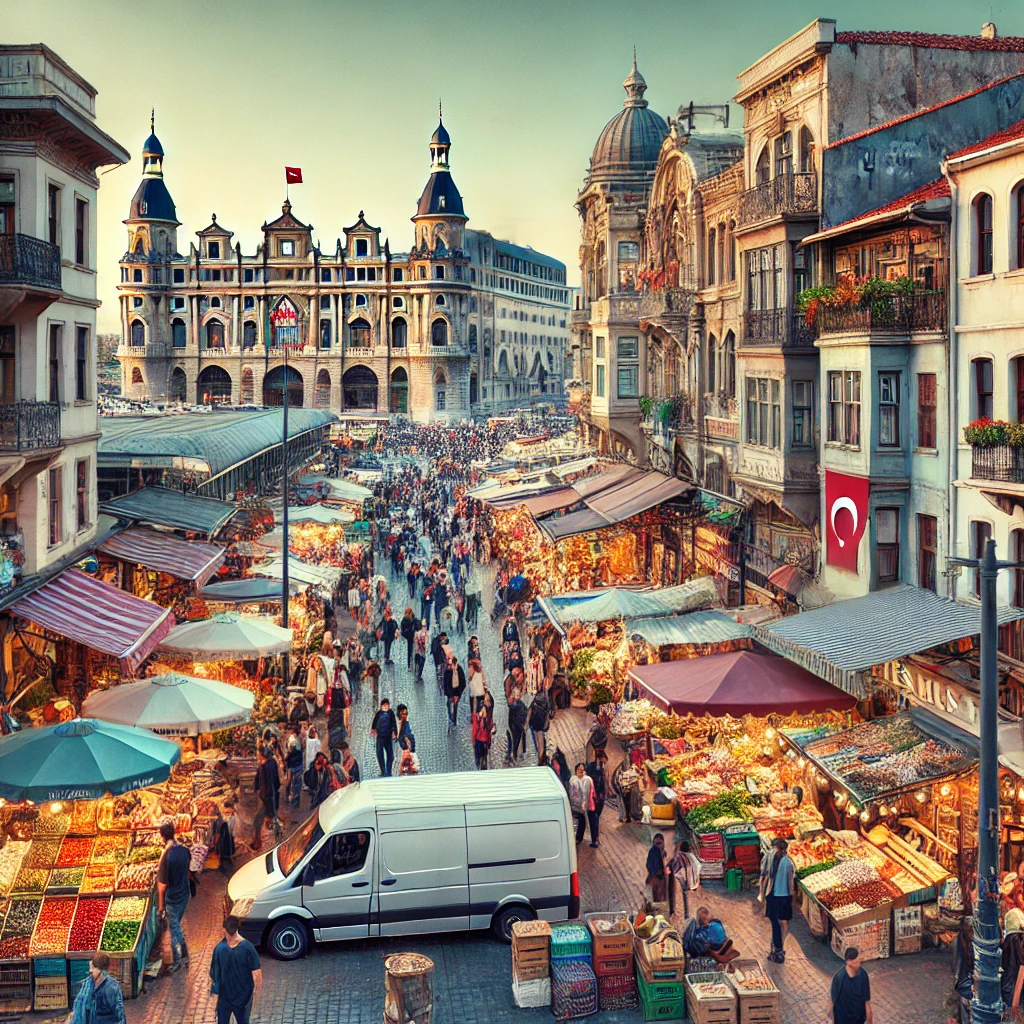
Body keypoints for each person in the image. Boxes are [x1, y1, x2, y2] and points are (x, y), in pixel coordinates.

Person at [210, 915, 262, 1024]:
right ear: (238, 928)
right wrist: (256, 1001)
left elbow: (216, 977)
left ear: (224, 929)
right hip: (244, 998)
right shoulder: (248, 948)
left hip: (224, 999)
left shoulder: (219, 949)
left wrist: (215, 1002)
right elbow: (257, 976)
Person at [157, 821, 191, 972]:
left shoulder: (166, 857)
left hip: (172, 899)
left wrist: (160, 907)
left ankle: (181, 956)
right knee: (175, 925)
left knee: (175, 928)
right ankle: (179, 956)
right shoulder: (184, 850)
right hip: (184, 894)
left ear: (163, 837)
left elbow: (162, 886)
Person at [760, 836, 796, 963]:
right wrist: (792, 897)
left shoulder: (769, 859)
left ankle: (776, 949)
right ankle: (778, 949)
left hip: (773, 895)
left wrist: (762, 895)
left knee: (776, 924)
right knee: (782, 924)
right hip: (783, 896)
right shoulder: (787, 862)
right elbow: (791, 882)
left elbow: (764, 876)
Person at [70, 952, 126, 1024]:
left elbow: (119, 1012)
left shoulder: (111, 986)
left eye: (93, 968)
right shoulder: (88, 984)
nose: (91, 971)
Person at [830, 947, 873, 1024]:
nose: (858, 964)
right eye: (856, 962)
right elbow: (834, 1002)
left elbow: (866, 997)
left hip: (858, 1018)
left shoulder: (863, 975)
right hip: (843, 1019)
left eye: (859, 962)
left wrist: (868, 1012)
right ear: (848, 962)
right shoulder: (839, 978)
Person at [251, 746, 281, 851]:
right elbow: (276, 782)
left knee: (258, 821)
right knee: (264, 820)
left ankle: (259, 843)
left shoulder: (265, 767)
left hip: (266, 798)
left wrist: (260, 794)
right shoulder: (272, 763)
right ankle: (261, 841)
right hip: (271, 797)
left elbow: (265, 785)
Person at [668, 839, 702, 919]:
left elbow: (673, 866)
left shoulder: (679, 856)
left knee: (681, 893)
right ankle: (686, 915)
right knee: (685, 894)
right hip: (691, 882)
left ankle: (675, 913)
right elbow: (699, 866)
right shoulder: (691, 856)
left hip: (682, 880)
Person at [584, 749, 607, 848]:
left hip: (600, 797)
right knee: (593, 818)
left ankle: (595, 838)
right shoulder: (590, 767)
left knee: (596, 817)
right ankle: (595, 839)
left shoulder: (602, 768)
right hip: (592, 797)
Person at [1003, 908, 1024, 1015]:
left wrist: (1014, 1002)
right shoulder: (1018, 938)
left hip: (1012, 986)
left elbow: (1022, 967)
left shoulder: (1013, 939)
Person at [569, 762, 595, 845]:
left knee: (583, 821)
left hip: (585, 804)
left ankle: (579, 838)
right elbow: (574, 795)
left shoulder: (586, 780)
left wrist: (584, 805)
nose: (582, 772)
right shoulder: (573, 780)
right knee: (580, 821)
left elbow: (586, 793)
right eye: (580, 770)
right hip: (576, 805)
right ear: (576, 770)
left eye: (583, 770)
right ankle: (577, 838)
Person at [370, 698, 398, 776]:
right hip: (380, 736)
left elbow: (394, 723)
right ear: (381, 706)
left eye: (386, 706)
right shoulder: (379, 713)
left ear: (389, 706)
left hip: (388, 736)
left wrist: (394, 732)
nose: (385, 707)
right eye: (383, 706)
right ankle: (383, 770)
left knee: (390, 754)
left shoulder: (391, 713)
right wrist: (373, 729)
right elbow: (374, 722)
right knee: (379, 753)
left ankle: (388, 770)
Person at [443, 653, 467, 729]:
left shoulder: (459, 671)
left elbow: (463, 683)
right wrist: (449, 694)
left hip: (457, 693)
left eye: (451, 665)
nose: (449, 666)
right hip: (450, 694)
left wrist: (458, 694)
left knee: (455, 706)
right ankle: (451, 719)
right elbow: (445, 684)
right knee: (449, 706)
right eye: (448, 665)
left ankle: (454, 720)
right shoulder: (447, 671)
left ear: (454, 664)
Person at [505, 689, 528, 765]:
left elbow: (513, 707)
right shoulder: (516, 703)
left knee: (515, 742)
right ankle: (512, 756)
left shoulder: (519, 704)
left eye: (518, 695)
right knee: (513, 742)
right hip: (514, 726)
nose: (517, 696)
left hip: (517, 726)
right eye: (516, 694)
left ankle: (513, 757)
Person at [528, 687, 552, 762]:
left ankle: (541, 756)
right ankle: (541, 756)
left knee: (538, 734)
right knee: (539, 734)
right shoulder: (544, 690)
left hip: (539, 713)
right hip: (540, 712)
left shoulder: (542, 691)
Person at [646, 832, 668, 904]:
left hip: (659, 877)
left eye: (660, 843)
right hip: (656, 877)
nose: (659, 845)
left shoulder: (663, 852)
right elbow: (649, 865)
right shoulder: (654, 851)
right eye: (657, 843)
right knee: (656, 898)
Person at [471, 699, 493, 770]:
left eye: (485, 710)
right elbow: (475, 730)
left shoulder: (488, 718)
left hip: (485, 740)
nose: (483, 712)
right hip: (478, 740)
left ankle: (483, 767)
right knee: (478, 757)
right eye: (482, 711)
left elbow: (490, 731)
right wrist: (474, 741)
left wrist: (489, 742)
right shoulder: (477, 718)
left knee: (484, 757)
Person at [284, 727, 303, 807]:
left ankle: (293, 799)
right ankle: (294, 798)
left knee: (292, 781)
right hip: (297, 763)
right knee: (295, 782)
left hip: (294, 764)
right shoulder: (297, 739)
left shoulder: (293, 741)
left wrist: (286, 757)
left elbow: (292, 751)